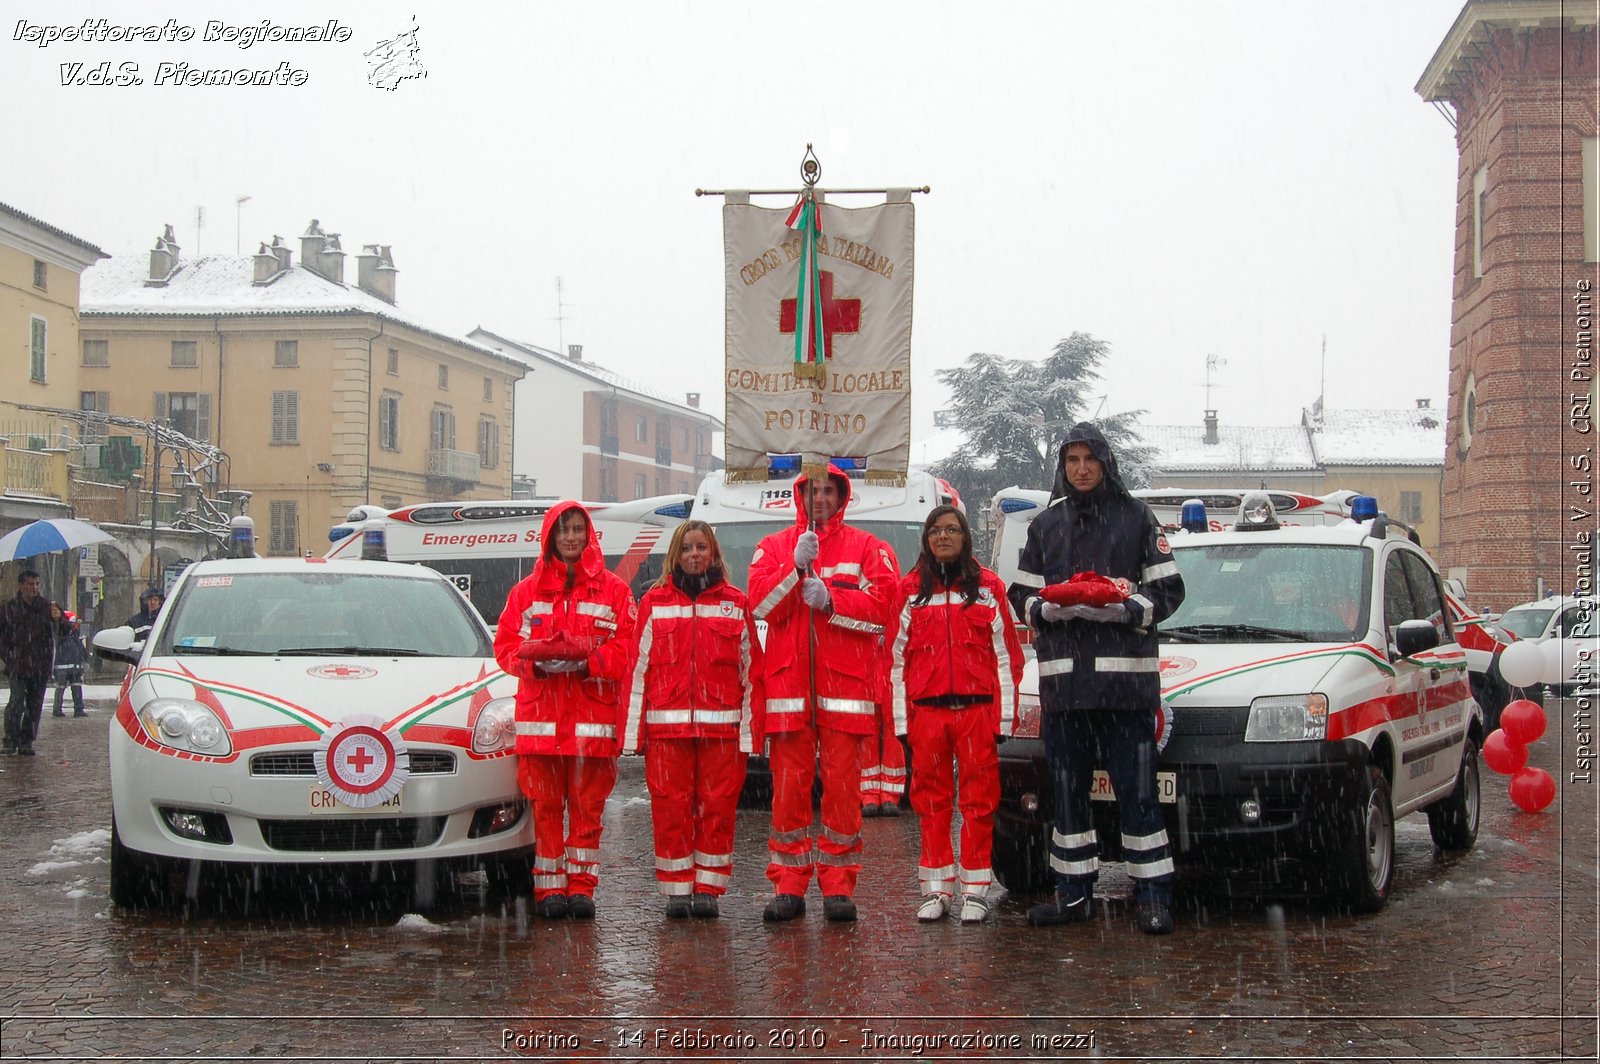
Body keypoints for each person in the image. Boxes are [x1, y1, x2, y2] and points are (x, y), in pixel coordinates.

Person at [1008, 423, 1186, 935]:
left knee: (1138, 795)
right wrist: (1043, 609)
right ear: (1062, 467)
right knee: (1067, 796)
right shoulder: (1045, 526)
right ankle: (1072, 894)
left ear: (1105, 463)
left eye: (1090, 459)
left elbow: (1170, 590)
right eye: (1072, 461)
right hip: (1065, 692)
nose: (1081, 469)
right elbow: (1021, 594)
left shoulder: (1136, 518)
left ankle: (1152, 897)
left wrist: (1128, 611)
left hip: (1127, 691)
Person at [748, 465, 899, 923]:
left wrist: (832, 600)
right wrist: (793, 568)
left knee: (842, 794)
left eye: (828, 491)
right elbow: (760, 605)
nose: (820, 499)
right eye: (813, 491)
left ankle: (838, 886)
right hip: (790, 693)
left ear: (841, 495)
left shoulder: (868, 548)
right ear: (800, 494)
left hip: (844, 694)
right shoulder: (772, 547)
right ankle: (788, 886)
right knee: (788, 793)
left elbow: (882, 613)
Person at [493, 501, 636, 921]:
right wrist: (534, 664)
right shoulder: (525, 593)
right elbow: (504, 648)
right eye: (564, 531)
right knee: (546, 809)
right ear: (551, 537)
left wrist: (588, 662)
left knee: (588, 811)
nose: (571, 538)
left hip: (591, 724)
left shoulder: (614, 591)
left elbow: (626, 649)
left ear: (589, 534)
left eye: (577, 529)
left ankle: (582, 889)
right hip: (540, 726)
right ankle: (549, 891)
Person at [622, 520, 764, 919]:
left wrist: (752, 735)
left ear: (714, 553)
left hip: (722, 731)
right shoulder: (654, 603)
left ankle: (709, 889)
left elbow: (754, 672)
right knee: (671, 809)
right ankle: (676, 890)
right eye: (687, 548)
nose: (695, 555)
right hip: (667, 734)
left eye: (702, 547)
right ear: (675, 555)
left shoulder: (736, 603)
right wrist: (633, 733)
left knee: (717, 809)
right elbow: (637, 670)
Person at [889, 505, 1024, 923]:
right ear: (926, 539)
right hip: (927, 714)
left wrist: (1004, 720)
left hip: (977, 711)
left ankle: (976, 889)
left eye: (951, 530)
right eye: (935, 531)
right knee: (930, 803)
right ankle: (936, 889)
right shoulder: (909, 591)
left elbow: (1007, 659)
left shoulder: (989, 589)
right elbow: (893, 662)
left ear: (965, 537)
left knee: (979, 803)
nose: (942, 537)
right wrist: (900, 722)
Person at [2, 570, 68, 756]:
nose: (34, 588)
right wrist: (9, 656)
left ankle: (26, 740)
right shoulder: (9, 607)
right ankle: (10, 739)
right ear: (21, 585)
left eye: (37, 584)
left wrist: (58, 619)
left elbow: (65, 631)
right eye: (30, 584)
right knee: (16, 701)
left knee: (34, 704)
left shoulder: (48, 606)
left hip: (40, 664)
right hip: (17, 664)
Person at [50, 604, 88, 718]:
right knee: (61, 687)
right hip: (62, 663)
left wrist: (84, 657)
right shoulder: (56, 626)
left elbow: (78, 644)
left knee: (76, 686)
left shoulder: (71, 630)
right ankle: (58, 710)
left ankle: (78, 709)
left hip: (74, 663)